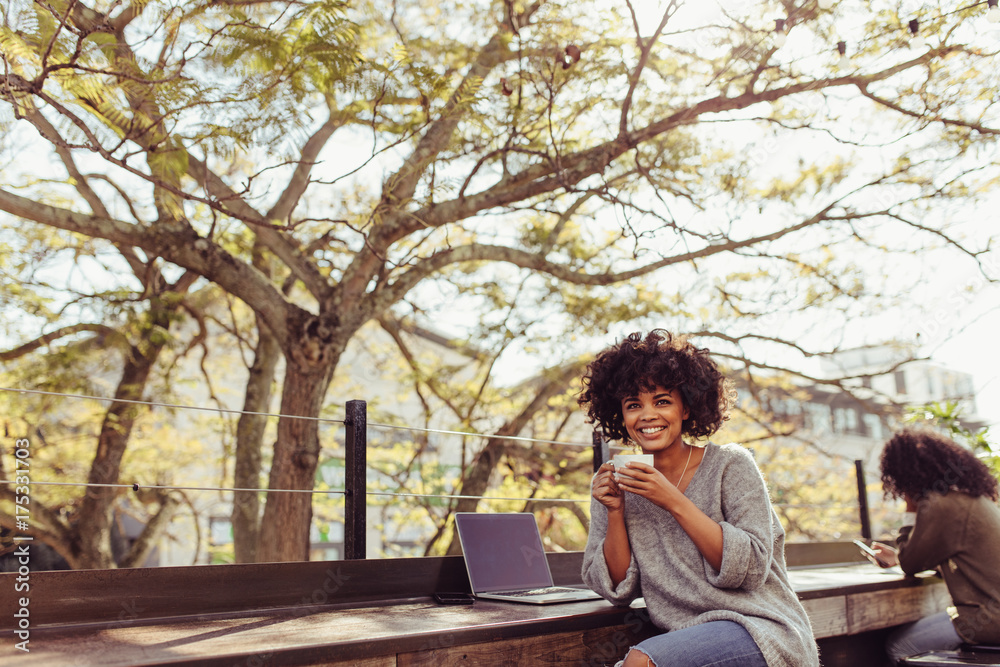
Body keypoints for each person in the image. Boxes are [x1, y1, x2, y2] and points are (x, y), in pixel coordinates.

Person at [578, 330, 819, 667]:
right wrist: (615, 511)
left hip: (762, 630)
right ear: (621, 415)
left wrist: (673, 500)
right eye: (634, 405)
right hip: (687, 636)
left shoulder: (731, 465)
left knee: (639, 662)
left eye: (662, 401)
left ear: (686, 408)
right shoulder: (616, 482)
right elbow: (616, 590)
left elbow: (750, 569)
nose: (647, 415)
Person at [868, 427, 1000, 663]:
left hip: (989, 620)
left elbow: (911, 565)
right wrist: (898, 557)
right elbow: (969, 558)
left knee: (899, 645)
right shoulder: (974, 498)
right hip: (992, 613)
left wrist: (910, 506)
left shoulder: (941, 504)